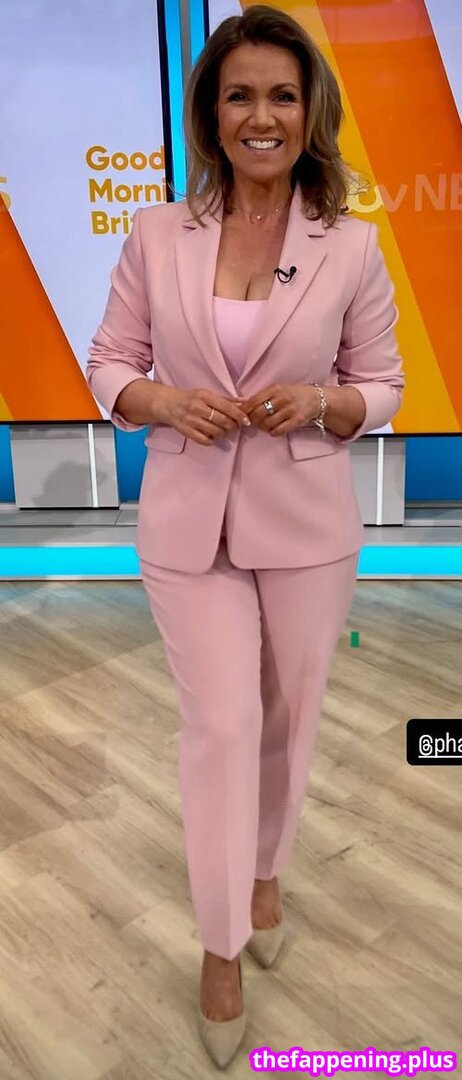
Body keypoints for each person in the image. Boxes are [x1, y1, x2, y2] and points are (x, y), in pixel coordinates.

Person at [86, 4, 404, 1067]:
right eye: (239, 96)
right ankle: (221, 944)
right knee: (222, 726)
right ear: (211, 115)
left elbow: (382, 385)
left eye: (280, 95)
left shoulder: (350, 246)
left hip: (307, 524)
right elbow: (109, 362)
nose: (260, 116)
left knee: (285, 721)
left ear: (309, 112)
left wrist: (324, 402)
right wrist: (162, 402)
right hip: (189, 523)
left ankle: (268, 873)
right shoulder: (155, 233)